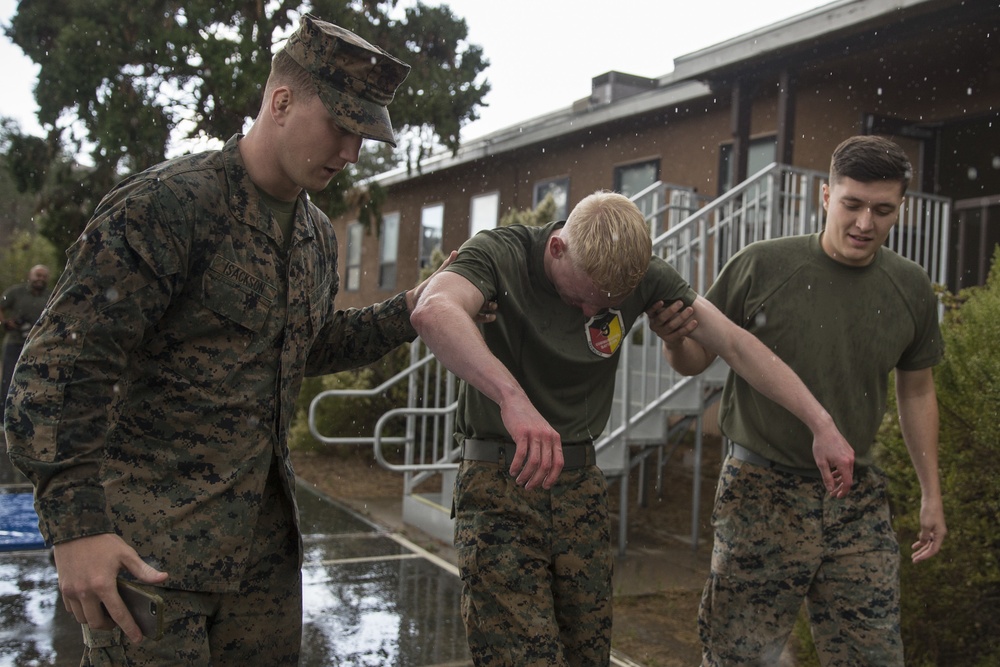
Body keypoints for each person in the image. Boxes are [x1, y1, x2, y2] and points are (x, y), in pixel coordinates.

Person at [4, 15, 462, 666]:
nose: (352, 151)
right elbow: (57, 368)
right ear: (281, 102)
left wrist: (411, 308)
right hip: (152, 560)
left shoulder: (315, 236)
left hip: (261, 566)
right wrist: (76, 529)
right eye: (341, 124)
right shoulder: (169, 207)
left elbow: (306, 343)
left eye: (364, 135)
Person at [410, 190, 854, 666]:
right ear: (558, 248)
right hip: (499, 481)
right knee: (521, 657)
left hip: (579, 487)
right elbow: (433, 310)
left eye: (605, 305)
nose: (588, 314)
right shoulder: (500, 252)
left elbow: (736, 344)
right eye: (581, 297)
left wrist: (820, 422)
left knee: (589, 653)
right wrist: (511, 397)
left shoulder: (642, 276)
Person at [659, 135, 947, 666]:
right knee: (736, 657)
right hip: (761, 493)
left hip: (856, 497)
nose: (865, 223)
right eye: (852, 204)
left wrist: (932, 492)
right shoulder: (760, 267)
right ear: (825, 196)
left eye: (882, 210)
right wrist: (676, 337)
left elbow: (917, 389)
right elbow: (696, 358)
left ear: (900, 209)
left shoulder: (910, 287)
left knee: (874, 658)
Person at [1, 264, 51, 415]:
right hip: (15, 342)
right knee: (9, 379)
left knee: (36, 383)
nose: (40, 279)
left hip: (38, 345)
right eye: (37, 275)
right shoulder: (16, 292)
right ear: (30, 275)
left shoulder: (51, 296)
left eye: (43, 276)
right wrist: (5, 323)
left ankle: (26, 416)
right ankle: (4, 416)